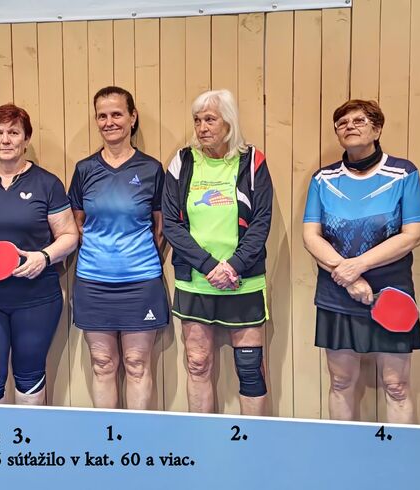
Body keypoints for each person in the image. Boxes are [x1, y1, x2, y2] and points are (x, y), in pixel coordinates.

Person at [303, 99, 420, 423]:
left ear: (377, 129)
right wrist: (348, 277)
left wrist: (358, 266)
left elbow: (412, 235)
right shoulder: (322, 179)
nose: (350, 127)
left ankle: (400, 451)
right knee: (341, 382)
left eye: (359, 121)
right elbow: (311, 237)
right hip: (337, 292)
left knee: (396, 386)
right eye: (342, 123)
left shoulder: (403, 173)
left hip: (391, 292)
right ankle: (343, 450)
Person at [0, 103, 78, 405]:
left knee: (29, 375)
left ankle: (27, 436)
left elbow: (69, 235)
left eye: (13, 132)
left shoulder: (47, 183)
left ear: (26, 138)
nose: (5, 140)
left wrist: (43, 257)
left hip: (36, 298)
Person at [162, 89, 273, 415]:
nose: (202, 127)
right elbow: (171, 224)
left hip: (243, 281)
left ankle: (251, 439)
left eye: (210, 119)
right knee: (197, 362)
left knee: (250, 367)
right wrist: (210, 266)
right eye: (197, 120)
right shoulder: (182, 161)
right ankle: (203, 439)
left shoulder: (252, 161)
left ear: (229, 122)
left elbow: (261, 221)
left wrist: (234, 266)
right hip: (196, 281)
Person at [68, 86, 168, 409]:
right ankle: (108, 435)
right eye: (102, 116)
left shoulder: (151, 169)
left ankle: (136, 434)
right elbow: (76, 223)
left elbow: (160, 227)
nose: (109, 122)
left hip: (141, 282)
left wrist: (133, 257)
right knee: (102, 364)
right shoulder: (85, 170)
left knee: (137, 364)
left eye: (116, 114)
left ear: (132, 117)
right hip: (93, 282)